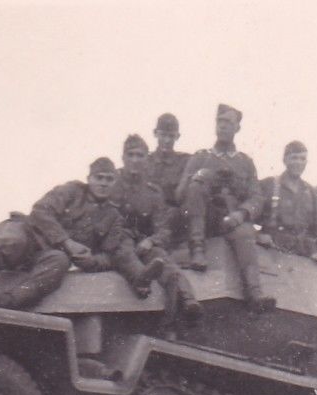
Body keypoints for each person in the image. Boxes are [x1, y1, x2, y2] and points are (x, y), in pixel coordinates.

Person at [0, 157, 164, 309]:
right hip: (31, 235)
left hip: (49, 255)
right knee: (9, 240)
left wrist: (89, 261)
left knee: (58, 264)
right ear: (89, 178)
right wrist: (68, 242)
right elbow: (40, 211)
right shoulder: (71, 191)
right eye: (99, 177)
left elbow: (112, 253)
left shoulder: (112, 216)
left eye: (109, 179)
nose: (103, 183)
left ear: (114, 182)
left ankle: (6, 302)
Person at [176, 104, 275, 312]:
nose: (222, 126)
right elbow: (180, 195)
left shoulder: (245, 162)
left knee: (246, 232)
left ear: (237, 128)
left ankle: (254, 293)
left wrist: (242, 214)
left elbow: (257, 196)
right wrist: (199, 176)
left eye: (228, 122)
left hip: (231, 219)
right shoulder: (201, 157)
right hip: (204, 220)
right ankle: (198, 251)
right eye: (219, 121)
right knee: (197, 185)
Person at [112, 134, 202, 337]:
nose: (135, 160)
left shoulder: (153, 192)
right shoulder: (112, 183)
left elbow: (164, 229)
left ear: (146, 159)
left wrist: (151, 240)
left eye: (140, 155)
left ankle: (169, 324)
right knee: (124, 248)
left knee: (166, 267)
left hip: (143, 244)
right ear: (123, 157)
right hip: (116, 242)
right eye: (131, 155)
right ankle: (141, 278)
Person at [257, 140, 317, 277]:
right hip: (272, 250)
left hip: (303, 253)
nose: (299, 163)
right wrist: (257, 235)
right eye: (294, 158)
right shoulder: (269, 185)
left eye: (303, 159)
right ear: (285, 160)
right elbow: (249, 213)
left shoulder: (310, 192)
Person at [146, 113, 190, 208]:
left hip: (173, 214)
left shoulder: (184, 162)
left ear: (177, 136)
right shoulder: (145, 160)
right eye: (163, 135)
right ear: (155, 133)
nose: (167, 140)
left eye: (171, 136)